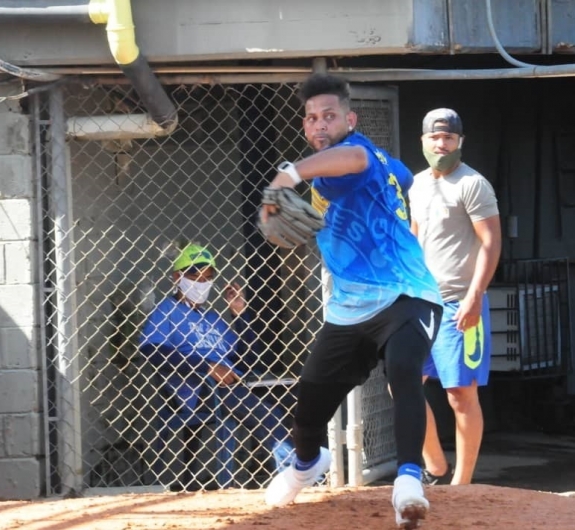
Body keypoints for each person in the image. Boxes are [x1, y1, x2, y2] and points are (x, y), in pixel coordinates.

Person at [261, 73, 444, 529]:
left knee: (403, 372)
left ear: (349, 118)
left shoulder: (357, 153)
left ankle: (407, 482)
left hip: (408, 293)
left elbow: (356, 158)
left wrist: (291, 173)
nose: (319, 124)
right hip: (349, 307)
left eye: (329, 116)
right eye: (311, 118)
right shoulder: (373, 164)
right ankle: (306, 464)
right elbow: (399, 174)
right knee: (308, 411)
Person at [139, 243, 294, 489]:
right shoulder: (167, 311)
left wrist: (239, 314)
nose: (201, 283)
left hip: (232, 385)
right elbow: (151, 350)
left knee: (290, 398)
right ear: (177, 277)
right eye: (195, 276)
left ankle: (302, 463)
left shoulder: (212, 318)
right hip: (196, 389)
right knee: (264, 412)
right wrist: (207, 365)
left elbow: (248, 359)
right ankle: (297, 473)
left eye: (208, 278)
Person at [408, 109, 502, 486]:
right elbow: (414, 238)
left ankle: (462, 486)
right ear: (424, 141)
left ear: (460, 141)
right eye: (434, 138)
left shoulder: (473, 184)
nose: (440, 144)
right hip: (419, 303)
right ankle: (435, 464)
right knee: (404, 383)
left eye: (448, 138)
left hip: (459, 302)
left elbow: (491, 242)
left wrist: (475, 297)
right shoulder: (416, 184)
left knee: (460, 394)